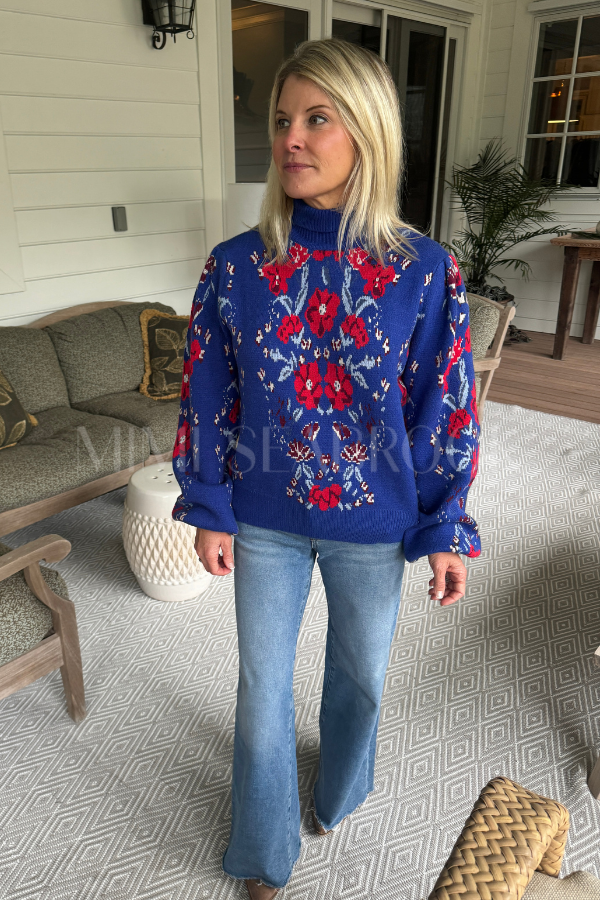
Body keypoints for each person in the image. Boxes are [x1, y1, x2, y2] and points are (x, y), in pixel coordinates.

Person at [172, 37, 481, 900]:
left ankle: (340, 792)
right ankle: (264, 852)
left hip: (374, 523)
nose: (291, 139)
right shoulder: (236, 265)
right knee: (261, 691)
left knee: (360, 680)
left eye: (317, 119)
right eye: (281, 121)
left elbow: (445, 404)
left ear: (368, 131)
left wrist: (445, 524)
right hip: (263, 519)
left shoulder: (425, 271)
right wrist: (208, 503)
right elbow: (208, 392)